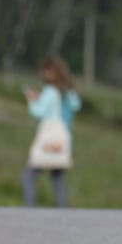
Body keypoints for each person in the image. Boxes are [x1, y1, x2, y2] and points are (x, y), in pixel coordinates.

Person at [23, 55, 81, 208]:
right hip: (63, 137)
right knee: (58, 178)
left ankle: (30, 210)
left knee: (29, 176)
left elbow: (39, 112)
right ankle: (62, 211)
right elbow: (76, 106)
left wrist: (32, 100)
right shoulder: (68, 91)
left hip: (49, 136)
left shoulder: (50, 91)